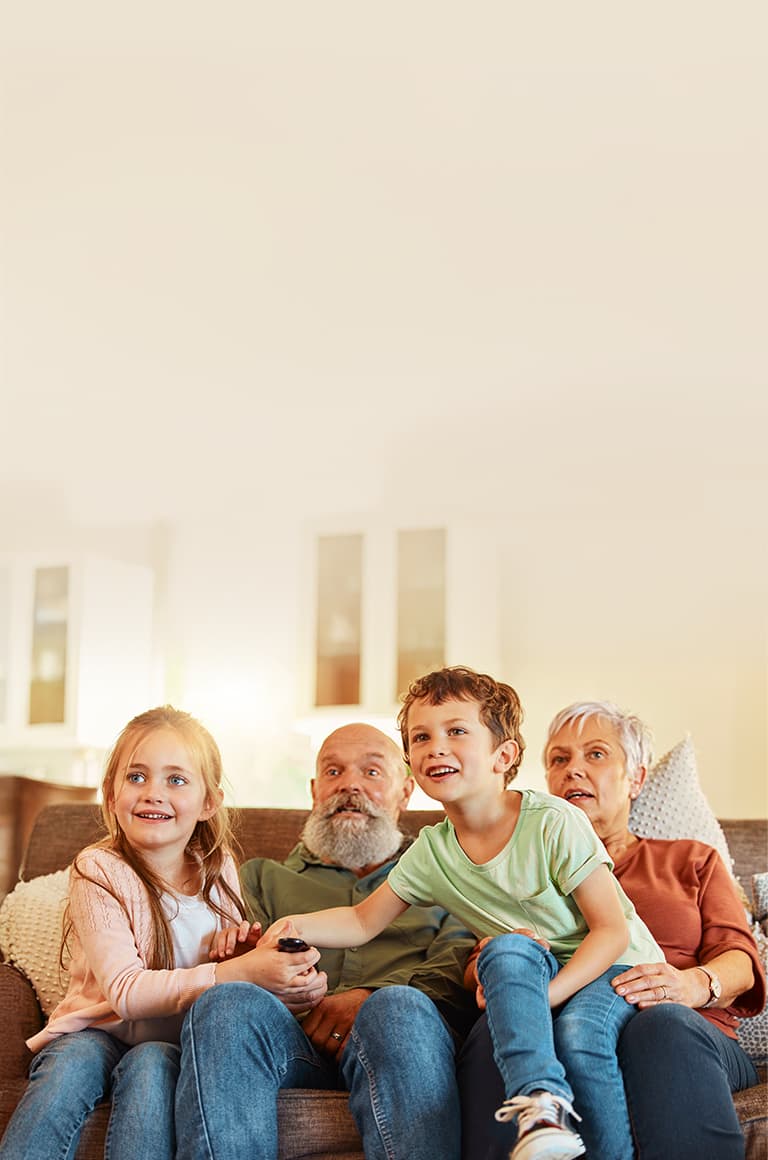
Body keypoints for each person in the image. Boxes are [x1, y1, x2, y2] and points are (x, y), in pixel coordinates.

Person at [265, 668, 665, 1160]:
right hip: (530, 966)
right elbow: (363, 921)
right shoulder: (433, 850)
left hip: (617, 967)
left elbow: (611, 932)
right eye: (421, 736)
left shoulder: (554, 822)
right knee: (506, 952)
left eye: (456, 731)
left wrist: (546, 998)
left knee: (579, 1036)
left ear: (504, 756)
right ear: (411, 763)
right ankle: (538, 1109)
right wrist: (292, 926)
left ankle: (547, 1109)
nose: (436, 746)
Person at [0, 706, 324, 1160]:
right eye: (136, 777)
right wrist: (241, 972)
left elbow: (223, 972)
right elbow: (126, 993)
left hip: (172, 1041)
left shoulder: (218, 868)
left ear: (209, 802)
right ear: (111, 795)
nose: (153, 793)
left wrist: (248, 959)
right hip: (98, 1029)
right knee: (69, 1067)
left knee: (152, 1068)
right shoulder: (98, 870)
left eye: (176, 780)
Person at [458, 700, 765, 1160]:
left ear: (636, 779)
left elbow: (740, 959)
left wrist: (691, 984)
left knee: (660, 1027)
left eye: (596, 755)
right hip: (554, 1031)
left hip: (683, 1027)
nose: (573, 771)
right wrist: (491, 968)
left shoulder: (690, 859)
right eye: (559, 759)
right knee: (494, 1034)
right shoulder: (516, 865)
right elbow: (473, 971)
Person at [175, 721, 479, 1160]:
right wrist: (250, 965)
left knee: (396, 1008)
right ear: (315, 791)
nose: (350, 785)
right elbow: (248, 968)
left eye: (372, 773)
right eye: (334, 772)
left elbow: (456, 962)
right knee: (225, 1004)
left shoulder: (447, 868)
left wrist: (369, 997)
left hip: (405, 1037)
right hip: (296, 1045)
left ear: (405, 792)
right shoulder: (259, 877)